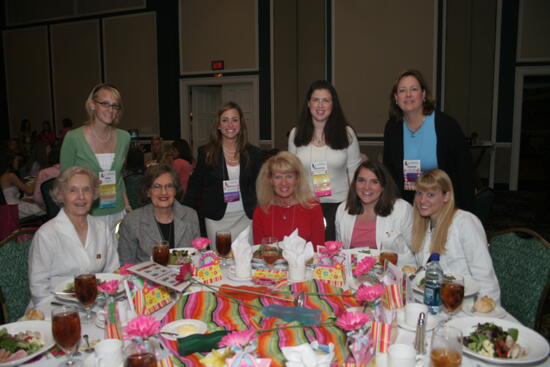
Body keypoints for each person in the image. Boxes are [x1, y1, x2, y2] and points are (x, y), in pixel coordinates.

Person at [383, 69, 475, 211]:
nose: (408, 95)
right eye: (402, 90)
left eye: (414, 89)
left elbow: (464, 172)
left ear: (423, 94)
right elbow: (389, 173)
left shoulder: (446, 125)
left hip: (443, 205)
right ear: (396, 97)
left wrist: (466, 212)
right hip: (408, 205)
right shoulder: (392, 128)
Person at [28, 166, 119, 306]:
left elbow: (112, 273)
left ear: (93, 194)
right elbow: (39, 289)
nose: (81, 197)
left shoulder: (102, 228)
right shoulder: (46, 234)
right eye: (73, 190)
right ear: (60, 195)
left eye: (86, 190)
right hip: (55, 309)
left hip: (96, 304)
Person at [411, 169, 500, 302]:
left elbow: (485, 277)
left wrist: (486, 315)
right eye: (419, 193)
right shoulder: (423, 225)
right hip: (434, 302)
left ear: (446, 196)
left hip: (463, 305)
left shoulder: (465, 223)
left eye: (430, 195)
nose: (422, 200)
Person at [288, 80, 361, 241]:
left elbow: (356, 173)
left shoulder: (347, 133)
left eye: (326, 100)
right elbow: (291, 173)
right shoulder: (296, 134)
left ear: (333, 104)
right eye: (316, 100)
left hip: (339, 206)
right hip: (305, 205)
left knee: (333, 255)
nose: (320, 105)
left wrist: (355, 204)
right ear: (308, 103)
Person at [184, 101, 263, 242]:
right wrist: (182, 211)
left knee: (244, 262)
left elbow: (261, 187)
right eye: (225, 120)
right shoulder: (207, 153)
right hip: (216, 220)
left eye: (234, 120)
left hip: (245, 219)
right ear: (219, 125)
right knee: (219, 262)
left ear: (241, 124)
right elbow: (196, 186)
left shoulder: (254, 153)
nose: (230, 125)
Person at [60, 83, 131, 232]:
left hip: (117, 211)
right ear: (92, 105)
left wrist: (127, 205)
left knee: (118, 255)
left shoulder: (124, 138)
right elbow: (64, 182)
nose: (110, 110)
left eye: (115, 106)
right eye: (105, 104)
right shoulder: (73, 138)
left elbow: (119, 176)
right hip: (86, 212)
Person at [118, 165, 200, 265]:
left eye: (169, 186)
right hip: (146, 279)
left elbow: (197, 258)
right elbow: (126, 265)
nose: (164, 192)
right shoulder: (131, 221)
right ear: (148, 191)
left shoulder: (190, 216)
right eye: (157, 186)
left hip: (185, 278)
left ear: (175, 190)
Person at [335, 161, 413, 256]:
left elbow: (416, 248)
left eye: (374, 182)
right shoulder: (343, 209)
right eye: (361, 180)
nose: (366, 187)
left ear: (383, 186)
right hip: (352, 269)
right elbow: (339, 250)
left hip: (396, 268)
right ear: (354, 183)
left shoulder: (402, 209)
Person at [253, 151, 324, 249]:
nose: (284, 183)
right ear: (270, 180)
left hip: (305, 264)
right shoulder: (261, 211)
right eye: (278, 177)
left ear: (297, 179)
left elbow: (318, 250)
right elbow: (259, 252)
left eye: (289, 176)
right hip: (271, 264)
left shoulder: (312, 208)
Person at [0, 153, 44, 218]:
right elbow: (29, 191)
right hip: (12, 209)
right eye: (17, 161)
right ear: (10, 162)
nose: (18, 163)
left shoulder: (4, 175)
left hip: (9, 206)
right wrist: (38, 177)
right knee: (43, 207)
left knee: (36, 201)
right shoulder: (10, 176)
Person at [33, 144, 61, 209]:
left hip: (50, 210)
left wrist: (48, 206)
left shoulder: (43, 173)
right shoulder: (72, 172)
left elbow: (37, 198)